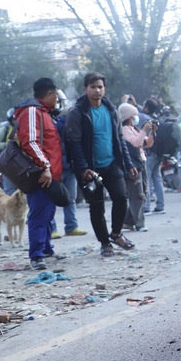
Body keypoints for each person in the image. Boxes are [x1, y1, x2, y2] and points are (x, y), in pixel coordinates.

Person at [66, 72, 137, 257]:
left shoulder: (111, 109)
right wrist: (83, 169)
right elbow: (74, 143)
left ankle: (116, 234)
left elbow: (120, 139)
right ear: (85, 89)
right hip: (90, 169)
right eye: (93, 87)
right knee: (97, 207)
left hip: (112, 164)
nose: (97, 90)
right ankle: (105, 243)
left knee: (121, 198)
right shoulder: (78, 112)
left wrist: (128, 163)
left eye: (100, 87)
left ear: (104, 89)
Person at [15, 78, 62, 270]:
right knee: (39, 214)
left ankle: (46, 248)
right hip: (41, 174)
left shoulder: (44, 113)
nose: (57, 99)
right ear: (49, 94)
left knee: (48, 213)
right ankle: (36, 255)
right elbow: (31, 142)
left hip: (51, 173)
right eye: (56, 95)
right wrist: (45, 167)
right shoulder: (32, 112)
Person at [51, 91, 88, 238]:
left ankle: (71, 226)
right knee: (52, 200)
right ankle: (52, 228)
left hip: (69, 165)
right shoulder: (52, 121)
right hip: (55, 167)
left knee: (70, 198)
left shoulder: (66, 120)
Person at [119, 103, 155, 232]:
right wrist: (144, 130)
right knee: (137, 194)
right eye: (134, 115)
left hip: (141, 162)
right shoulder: (124, 130)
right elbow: (135, 143)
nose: (136, 117)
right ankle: (140, 223)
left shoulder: (134, 129)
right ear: (129, 116)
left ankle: (127, 221)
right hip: (132, 166)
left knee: (143, 192)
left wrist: (152, 132)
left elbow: (147, 143)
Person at [0, 108, 19, 195]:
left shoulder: (26, 128)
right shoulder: (6, 129)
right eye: (14, 120)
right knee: (9, 190)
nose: (16, 121)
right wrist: (7, 145)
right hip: (8, 163)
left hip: (23, 163)